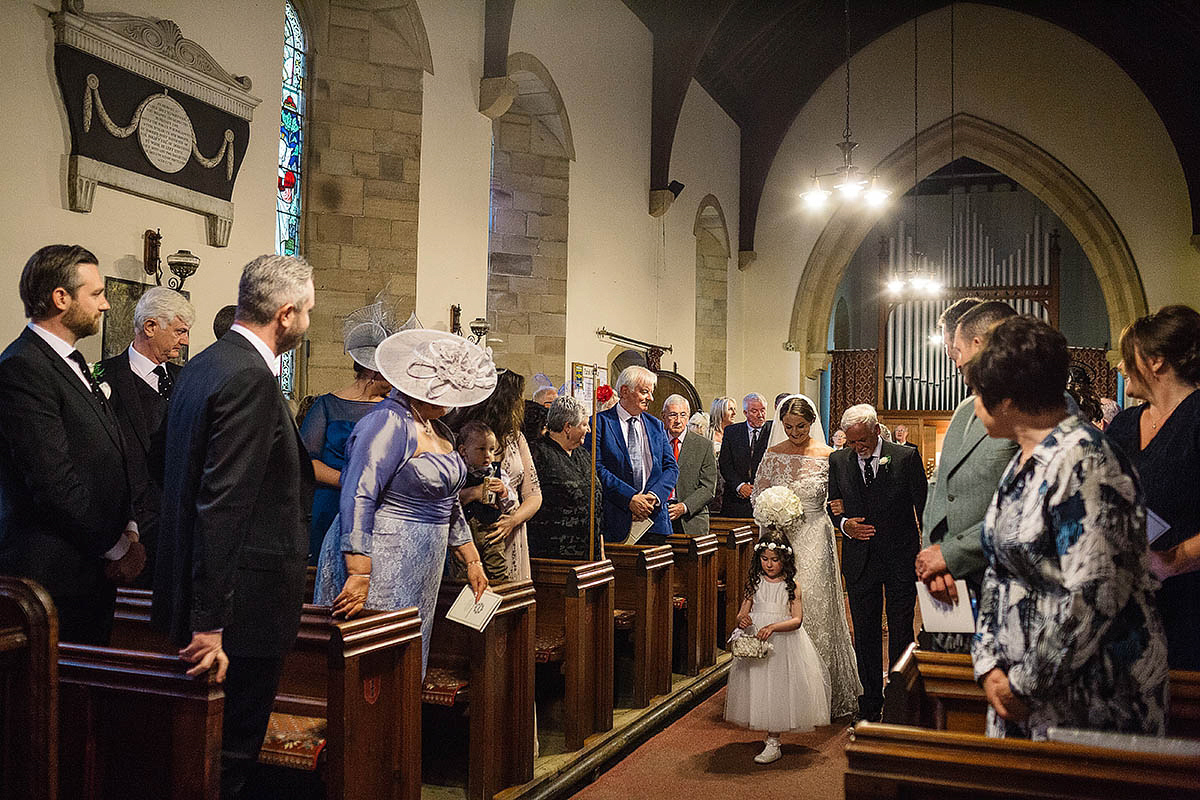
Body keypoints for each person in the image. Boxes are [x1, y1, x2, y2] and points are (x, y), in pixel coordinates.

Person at [153, 254, 316, 798]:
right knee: (229, 759)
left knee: (207, 752)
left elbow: (167, 466)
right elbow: (222, 504)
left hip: (215, 595)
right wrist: (211, 622)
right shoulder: (249, 376)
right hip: (241, 610)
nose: (308, 323)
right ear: (286, 315)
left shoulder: (205, 364)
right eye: (309, 312)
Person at [967, 315, 1168, 739]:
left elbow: (1096, 592)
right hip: (1019, 692)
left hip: (1087, 700)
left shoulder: (1086, 460)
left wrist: (1024, 683)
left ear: (1006, 398)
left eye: (977, 391)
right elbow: (997, 572)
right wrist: (988, 663)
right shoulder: (1025, 460)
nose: (973, 402)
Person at [314, 328, 494, 673]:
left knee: (410, 650)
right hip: (383, 556)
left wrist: (471, 559)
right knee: (376, 653)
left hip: (422, 562)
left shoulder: (440, 430)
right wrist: (358, 570)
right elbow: (359, 491)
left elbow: (449, 501)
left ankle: (399, 723)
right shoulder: (387, 421)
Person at [0, 244, 145, 645]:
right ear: (61, 298)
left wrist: (129, 526)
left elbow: (109, 455)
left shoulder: (73, 362)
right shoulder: (23, 367)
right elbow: (53, 480)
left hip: (88, 571)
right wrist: (116, 547)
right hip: (52, 577)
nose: (106, 306)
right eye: (96, 294)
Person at [915, 298, 1017, 654]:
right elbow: (938, 490)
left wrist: (952, 555)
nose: (952, 360)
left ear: (979, 344)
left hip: (1000, 578)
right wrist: (933, 558)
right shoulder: (963, 410)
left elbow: (1020, 508)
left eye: (954, 349)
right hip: (949, 582)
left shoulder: (1037, 406)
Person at [752, 395, 861, 719]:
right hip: (781, 540)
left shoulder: (830, 456)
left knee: (813, 607)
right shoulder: (773, 455)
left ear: (812, 422)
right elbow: (759, 495)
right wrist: (769, 511)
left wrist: (841, 508)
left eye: (800, 426)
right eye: (788, 427)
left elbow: (844, 495)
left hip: (815, 536)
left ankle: (820, 691)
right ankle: (784, 691)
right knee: (781, 606)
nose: (794, 431)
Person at [1107, 304, 1200, 668]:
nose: (1119, 366)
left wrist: (1173, 561)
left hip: (1186, 607)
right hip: (1126, 608)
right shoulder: (1124, 424)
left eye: (1128, 356)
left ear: (1157, 361)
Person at [827, 403, 927, 722]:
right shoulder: (838, 460)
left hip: (900, 557)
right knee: (866, 636)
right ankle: (869, 703)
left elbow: (924, 507)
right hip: (860, 560)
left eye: (862, 441)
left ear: (875, 429)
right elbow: (833, 506)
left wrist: (931, 553)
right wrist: (845, 526)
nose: (857, 448)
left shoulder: (904, 457)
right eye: (851, 442)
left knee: (900, 633)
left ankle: (899, 702)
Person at [98, 286, 193, 588]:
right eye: (180, 331)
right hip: (128, 528)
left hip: (181, 524)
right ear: (150, 326)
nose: (186, 340)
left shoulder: (187, 378)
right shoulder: (103, 377)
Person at [299, 300, 395, 562]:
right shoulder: (327, 405)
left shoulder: (394, 410)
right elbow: (308, 462)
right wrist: (349, 482)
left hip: (380, 507)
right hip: (332, 504)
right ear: (372, 370)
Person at [724, 530, 831, 764]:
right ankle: (768, 734)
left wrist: (773, 626)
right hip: (758, 641)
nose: (769, 564)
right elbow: (743, 611)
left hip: (782, 642)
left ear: (785, 559)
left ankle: (774, 740)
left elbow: (797, 620)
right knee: (760, 685)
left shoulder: (792, 585)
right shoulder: (755, 582)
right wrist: (742, 619)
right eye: (764, 559)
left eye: (774, 559)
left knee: (778, 687)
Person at [452, 370, 543, 579]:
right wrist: (474, 493)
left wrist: (512, 520)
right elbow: (445, 495)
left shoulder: (515, 438)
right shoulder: (464, 437)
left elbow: (534, 494)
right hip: (469, 531)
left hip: (511, 530)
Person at [589, 365, 678, 544]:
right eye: (645, 392)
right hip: (617, 520)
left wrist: (654, 496)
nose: (650, 398)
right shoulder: (600, 423)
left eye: (651, 393)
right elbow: (596, 468)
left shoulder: (656, 426)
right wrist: (630, 498)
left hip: (654, 521)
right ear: (624, 391)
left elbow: (671, 467)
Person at [528, 395, 600, 559]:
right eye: (584, 424)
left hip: (589, 551)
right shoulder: (538, 453)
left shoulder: (583, 454)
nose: (588, 430)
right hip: (555, 552)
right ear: (567, 426)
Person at [451, 420, 513, 582]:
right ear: (464, 450)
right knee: (462, 575)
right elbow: (450, 499)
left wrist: (504, 492)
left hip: (489, 529)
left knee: (498, 571)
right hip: (464, 532)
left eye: (492, 450)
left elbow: (510, 504)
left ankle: (501, 602)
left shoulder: (498, 472)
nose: (488, 455)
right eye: (481, 449)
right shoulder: (457, 472)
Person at [662, 394, 717, 536]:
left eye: (683, 415)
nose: (678, 421)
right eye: (673, 415)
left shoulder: (703, 445)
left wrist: (684, 507)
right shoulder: (655, 441)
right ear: (664, 416)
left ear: (688, 417)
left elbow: (708, 487)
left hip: (691, 519)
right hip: (660, 518)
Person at [718, 392, 772, 518]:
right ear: (745, 413)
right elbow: (725, 464)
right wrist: (740, 486)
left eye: (763, 410)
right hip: (736, 500)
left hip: (764, 500)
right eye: (754, 411)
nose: (760, 415)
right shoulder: (732, 432)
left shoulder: (772, 431)